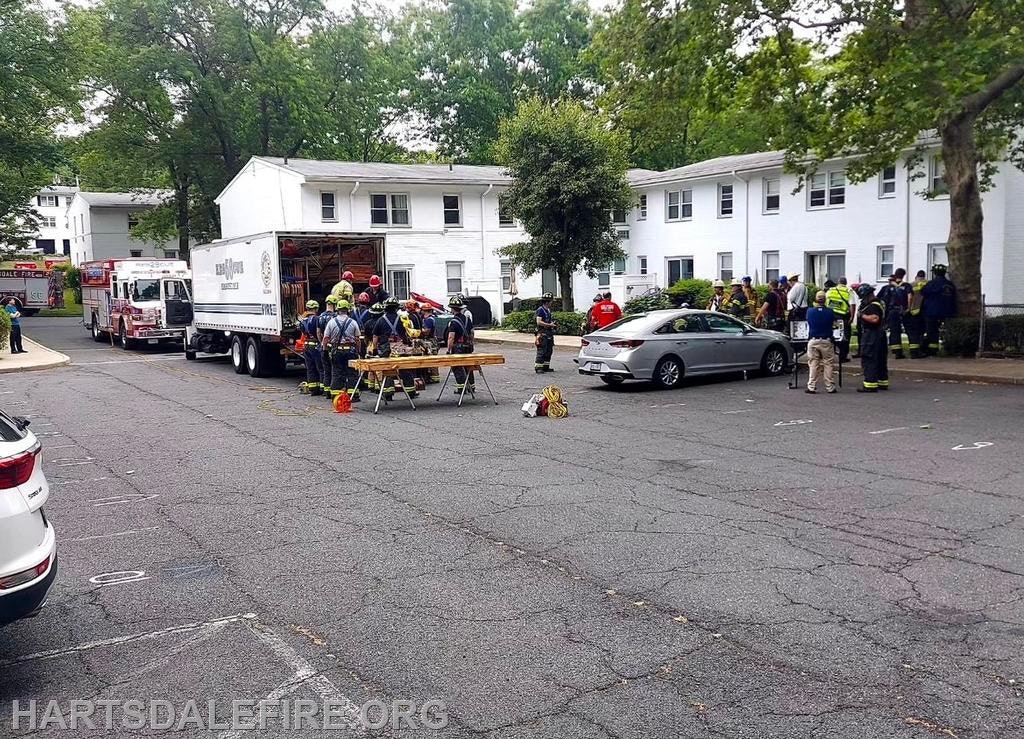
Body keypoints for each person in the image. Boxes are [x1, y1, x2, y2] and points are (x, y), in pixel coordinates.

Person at [370, 297, 416, 398]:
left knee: (387, 370)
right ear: (396, 308)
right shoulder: (402, 319)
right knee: (405, 368)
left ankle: (388, 393)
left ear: (385, 308)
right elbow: (409, 333)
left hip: (386, 348)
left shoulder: (380, 320)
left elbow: (375, 336)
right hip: (401, 347)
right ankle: (410, 391)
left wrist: (374, 349)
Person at [322, 299, 361, 402]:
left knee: (337, 373)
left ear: (337, 310)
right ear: (347, 310)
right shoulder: (353, 322)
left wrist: (325, 350)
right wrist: (358, 350)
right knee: (352, 373)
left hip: (337, 351)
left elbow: (326, 338)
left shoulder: (331, 322)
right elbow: (357, 338)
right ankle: (353, 396)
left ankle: (335, 395)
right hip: (350, 351)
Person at [855, 283, 889, 392]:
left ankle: (870, 385)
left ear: (867, 295)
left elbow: (875, 319)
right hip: (880, 334)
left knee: (868, 358)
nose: (862, 300)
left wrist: (862, 315)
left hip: (871, 334)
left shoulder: (872, 306)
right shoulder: (879, 303)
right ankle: (882, 382)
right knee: (880, 359)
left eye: (863, 297)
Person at [805, 291, 838, 394]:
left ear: (815, 299)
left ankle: (811, 386)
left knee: (813, 364)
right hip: (826, 340)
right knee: (828, 363)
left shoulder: (809, 311)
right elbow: (834, 324)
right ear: (825, 300)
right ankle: (830, 387)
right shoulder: (830, 312)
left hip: (813, 340)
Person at [922, 264, 957, 356]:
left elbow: (923, 292)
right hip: (948, 312)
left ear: (934, 273)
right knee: (948, 332)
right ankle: (949, 349)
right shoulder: (950, 285)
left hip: (932, 312)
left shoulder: (931, 284)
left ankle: (932, 351)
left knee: (932, 332)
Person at [445, 295, 475, 393]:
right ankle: (471, 386)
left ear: (452, 309)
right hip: (467, 346)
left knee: (457, 367)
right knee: (468, 366)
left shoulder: (453, 322)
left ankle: (462, 388)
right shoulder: (467, 319)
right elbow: (472, 333)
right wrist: (471, 343)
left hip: (458, 347)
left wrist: (449, 350)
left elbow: (451, 337)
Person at [877, 268, 910, 359]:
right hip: (902, 311)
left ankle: (896, 351)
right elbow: (909, 297)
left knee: (894, 331)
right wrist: (908, 308)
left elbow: (877, 298)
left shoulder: (886, 288)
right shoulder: (905, 286)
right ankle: (905, 352)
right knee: (909, 330)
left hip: (890, 312)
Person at [825, 277, 854, 362]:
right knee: (845, 337)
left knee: (833, 334)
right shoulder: (848, 291)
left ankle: (830, 355)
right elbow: (852, 305)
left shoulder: (830, 290)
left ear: (838, 282)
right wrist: (852, 317)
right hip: (843, 317)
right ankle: (842, 357)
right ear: (846, 283)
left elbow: (826, 301)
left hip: (832, 316)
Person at [298, 300, 322, 395]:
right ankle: (321, 389)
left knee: (310, 368)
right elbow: (318, 333)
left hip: (306, 345)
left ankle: (313, 389)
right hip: (315, 345)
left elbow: (303, 333)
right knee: (320, 368)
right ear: (316, 309)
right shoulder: (317, 319)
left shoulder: (303, 321)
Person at [317, 294, 338, 398]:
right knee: (334, 369)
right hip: (332, 346)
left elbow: (318, 332)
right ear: (334, 305)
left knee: (326, 370)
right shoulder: (335, 317)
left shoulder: (320, 317)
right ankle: (334, 391)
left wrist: (322, 343)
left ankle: (326, 391)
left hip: (323, 345)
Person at [904, 270, 928, 358]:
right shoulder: (928, 284)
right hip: (924, 312)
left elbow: (908, 297)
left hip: (912, 311)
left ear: (916, 276)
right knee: (921, 332)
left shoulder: (911, 285)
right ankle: (920, 350)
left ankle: (914, 352)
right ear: (924, 276)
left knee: (913, 333)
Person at [362, 302, 384, 391]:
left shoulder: (367, 323)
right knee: (379, 366)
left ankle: (370, 385)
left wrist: (368, 345)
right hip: (378, 345)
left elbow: (365, 336)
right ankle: (378, 387)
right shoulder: (382, 322)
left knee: (370, 366)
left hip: (370, 344)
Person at [534, 293, 556, 373]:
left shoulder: (548, 310)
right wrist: (549, 325)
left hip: (549, 333)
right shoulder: (540, 310)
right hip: (542, 333)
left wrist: (552, 324)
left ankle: (546, 367)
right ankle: (538, 368)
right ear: (547, 302)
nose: (552, 303)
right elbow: (538, 322)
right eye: (551, 301)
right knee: (542, 351)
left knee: (548, 351)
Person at [420, 303, 441, 384]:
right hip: (431, 341)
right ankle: (432, 376)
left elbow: (427, 332)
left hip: (430, 342)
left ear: (424, 310)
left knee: (432, 359)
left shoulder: (429, 320)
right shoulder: (429, 318)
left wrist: (418, 331)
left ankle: (434, 377)